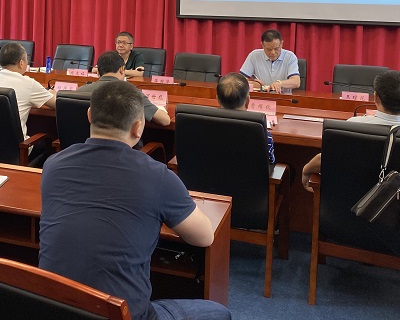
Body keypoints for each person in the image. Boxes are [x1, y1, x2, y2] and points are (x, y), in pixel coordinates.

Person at [39, 80, 232, 320]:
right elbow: (204, 237)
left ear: (89, 115)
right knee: (217, 312)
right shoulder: (158, 176)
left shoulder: (53, 165)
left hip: (54, 307)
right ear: (138, 128)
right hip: (121, 314)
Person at [301, 70, 400, 191]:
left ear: (375, 97)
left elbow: (325, 159)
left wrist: (306, 170)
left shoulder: (352, 126)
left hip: (351, 209)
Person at [0, 42, 55, 140]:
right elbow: (57, 104)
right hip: (18, 146)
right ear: (21, 63)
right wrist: (53, 93)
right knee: (50, 138)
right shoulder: (28, 83)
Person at [80, 51, 170, 126]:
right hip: (121, 142)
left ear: (98, 72)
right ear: (121, 69)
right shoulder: (131, 92)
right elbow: (165, 121)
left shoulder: (80, 91)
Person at [217, 72, 275, 164]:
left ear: (218, 100)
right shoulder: (263, 134)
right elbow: (270, 161)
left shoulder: (204, 127)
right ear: (248, 101)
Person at [240, 29, 300, 94]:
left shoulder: (290, 57)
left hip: (283, 97)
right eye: (269, 49)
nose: (273, 52)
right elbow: (239, 81)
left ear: (281, 44)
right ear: (262, 45)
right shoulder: (254, 55)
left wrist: (280, 83)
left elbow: (296, 82)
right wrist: (251, 83)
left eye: (276, 48)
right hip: (260, 97)